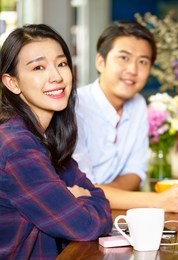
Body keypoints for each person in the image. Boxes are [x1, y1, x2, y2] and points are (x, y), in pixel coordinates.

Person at [0, 24, 112, 259]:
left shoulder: (43, 138)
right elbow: (85, 226)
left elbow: (97, 194)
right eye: (38, 67)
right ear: (12, 83)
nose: (57, 76)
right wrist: (79, 199)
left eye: (61, 64)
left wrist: (79, 198)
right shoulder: (16, 146)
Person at [72, 21, 178, 213]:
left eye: (143, 62)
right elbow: (81, 188)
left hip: (110, 213)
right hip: (75, 220)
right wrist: (157, 201)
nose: (133, 70)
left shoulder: (137, 104)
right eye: (123, 58)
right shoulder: (74, 107)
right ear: (100, 62)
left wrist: (101, 196)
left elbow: (135, 172)